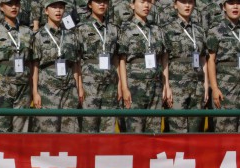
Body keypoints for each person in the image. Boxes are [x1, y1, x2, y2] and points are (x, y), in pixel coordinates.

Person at [31, 0, 83, 133]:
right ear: (46, 11)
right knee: (49, 133)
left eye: (61, 7)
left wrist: (78, 88)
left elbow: (75, 65)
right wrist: (35, 92)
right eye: (54, 7)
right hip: (47, 91)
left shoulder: (71, 35)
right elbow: (35, 67)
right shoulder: (38, 36)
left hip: (69, 90)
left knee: (70, 132)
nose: (58, 10)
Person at [118, 0, 165, 133]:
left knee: (154, 131)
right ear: (132, 5)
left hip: (155, 86)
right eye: (142, 1)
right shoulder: (126, 29)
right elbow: (122, 60)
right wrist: (124, 88)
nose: (146, 5)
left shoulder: (155, 29)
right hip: (135, 85)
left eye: (149, 2)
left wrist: (164, 84)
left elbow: (162, 58)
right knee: (135, 130)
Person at [162, 0, 207, 132]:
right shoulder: (167, 29)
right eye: (183, 2)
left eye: (190, 2)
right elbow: (164, 60)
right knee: (177, 130)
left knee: (195, 130)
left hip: (197, 86)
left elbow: (203, 59)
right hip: (176, 86)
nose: (187, 5)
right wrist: (166, 86)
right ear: (175, 5)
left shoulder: (199, 30)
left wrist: (205, 85)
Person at [0, 0, 34, 132]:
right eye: (9, 4)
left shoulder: (27, 32)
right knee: (1, 128)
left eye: (16, 4)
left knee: (21, 129)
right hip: (1, 87)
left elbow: (31, 62)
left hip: (23, 87)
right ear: (1, 7)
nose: (14, 7)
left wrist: (32, 89)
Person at [76, 0, 119, 132]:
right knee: (89, 124)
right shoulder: (81, 28)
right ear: (90, 4)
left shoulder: (113, 28)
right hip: (89, 83)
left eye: (104, 2)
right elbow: (77, 59)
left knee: (109, 125)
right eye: (98, 1)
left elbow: (116, 57)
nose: (102, 4)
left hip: (110, 82)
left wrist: (119, 84)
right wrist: (79, 86)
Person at [206, 0, 239, 133]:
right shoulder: (216, 30)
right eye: (231, 3)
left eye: (238, 3)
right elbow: (210, 60)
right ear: (224, 7)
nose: (235, 6)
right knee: (225, 128)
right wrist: (214, 88)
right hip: (225, 87)